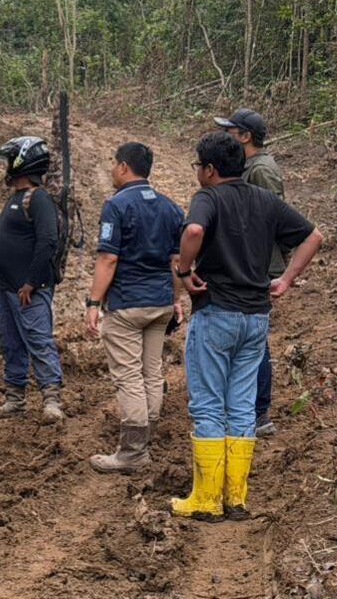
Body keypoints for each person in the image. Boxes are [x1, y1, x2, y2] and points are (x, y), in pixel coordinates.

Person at [172, 132, 322, 521]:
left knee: (207, 404)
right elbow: (313, 236)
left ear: (209, 169)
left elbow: (192, 232)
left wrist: (184, 270)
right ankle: (235, 498)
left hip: (216, 312)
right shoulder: (265, 199)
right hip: (256, 318)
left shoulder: (208, 197)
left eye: (197, 167)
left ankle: (205, 499)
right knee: (241, 405)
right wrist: (285, 279)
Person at [84, 142, 185, 474]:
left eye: (114, 164)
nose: (113, 169)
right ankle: (147, 434)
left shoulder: (116, 206)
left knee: (128, 376)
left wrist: (94, 302)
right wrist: (176, 298)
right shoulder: (171, 208)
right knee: (151, 372)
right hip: (160, 303)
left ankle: (132, 452)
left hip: (128, 304)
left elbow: (108, 257)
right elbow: (177, 260)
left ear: (124, 167)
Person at [215, 108, 284, 438]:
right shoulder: (250, 167)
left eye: (231, 131)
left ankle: (259, 413)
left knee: (256, 339)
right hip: (254, 262)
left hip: (260, 264)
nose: (227, 136)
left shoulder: (262, 170)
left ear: (245, 136)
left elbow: (271, 217)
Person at [0, 136, 64, 423]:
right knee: (10, 343)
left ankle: (52, 401)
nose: (6, 166)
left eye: (10, 160)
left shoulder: (39, 198)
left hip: (29, 289)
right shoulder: (15, 198)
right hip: (8, 289)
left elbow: (48, 241)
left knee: (39, 341)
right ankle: (15, 398)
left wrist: (31, 282)